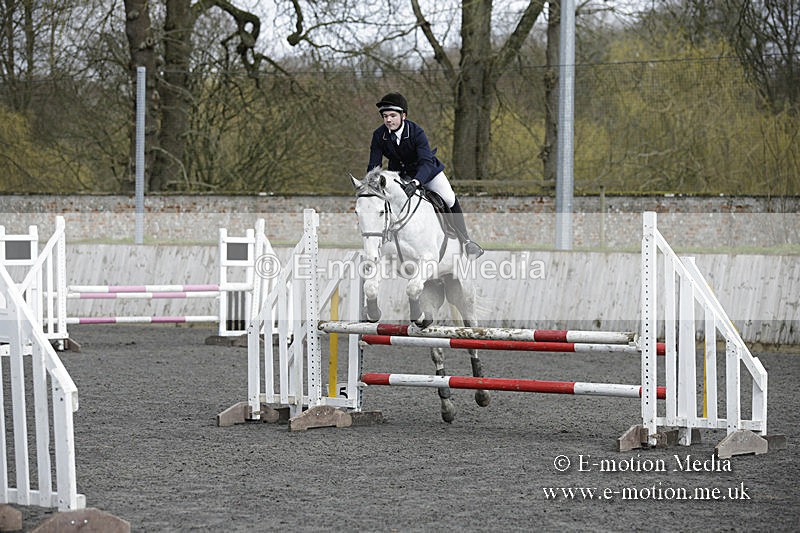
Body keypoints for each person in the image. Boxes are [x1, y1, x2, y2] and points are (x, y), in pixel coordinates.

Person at [367, 92, 484, 258]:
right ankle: (384, 241)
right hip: (400, 175)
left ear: (403, 116)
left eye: (393, 115)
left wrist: (415, 183)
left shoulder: (416, 132)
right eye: (385, 116)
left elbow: (425, 162)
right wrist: (372, 184)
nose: (388, 120)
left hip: (427, 172)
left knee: (449, 198)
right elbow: (374, 166)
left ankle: (466, 242)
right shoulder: (379, 135)